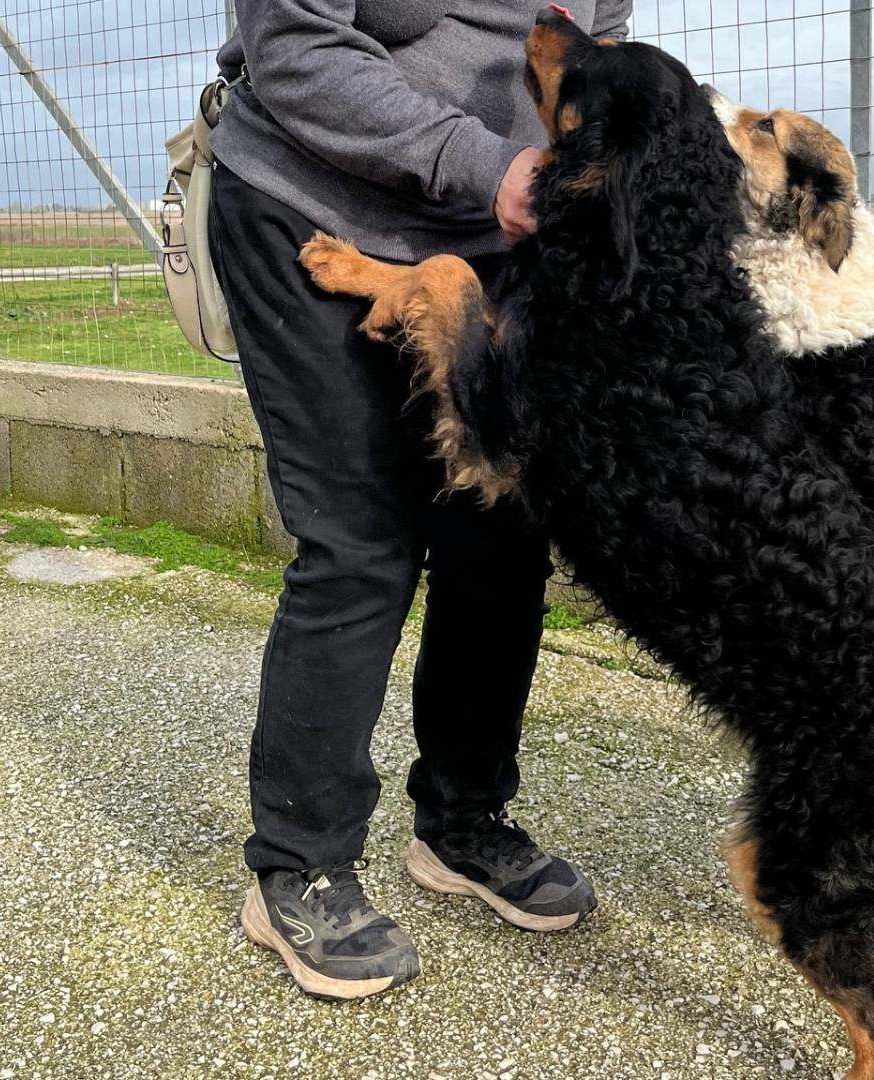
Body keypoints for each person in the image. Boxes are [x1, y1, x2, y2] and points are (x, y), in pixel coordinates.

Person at [209, 0, 631, 1000]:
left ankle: (460, 820)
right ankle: (298, 864)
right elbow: (299, 49)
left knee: (502, 535)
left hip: (501, 232)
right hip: (313, 200)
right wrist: (492, 166)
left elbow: (594, 54)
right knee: (362, 540)